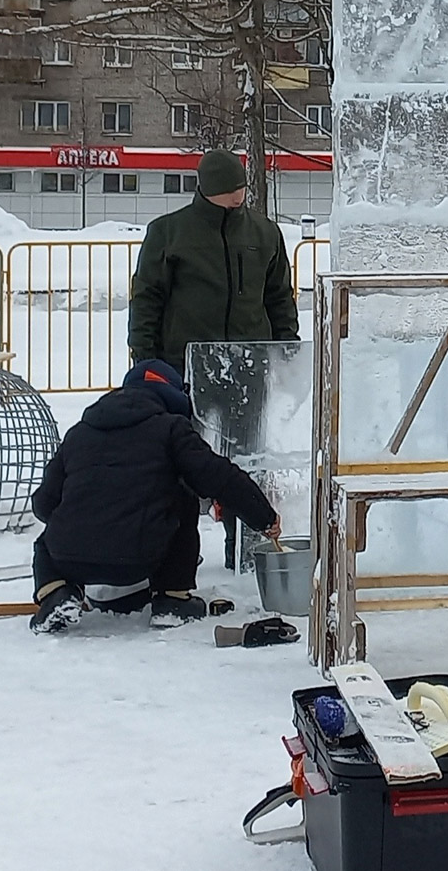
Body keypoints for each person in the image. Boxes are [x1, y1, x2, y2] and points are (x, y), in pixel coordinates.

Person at [127, 149, 300, 568]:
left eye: (240, 189)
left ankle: (242, 549)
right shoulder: (169, 234)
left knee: (246, 463)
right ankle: (173, 554)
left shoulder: (264, 234)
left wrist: (286, 345)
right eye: (228, 192)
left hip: (248, 368)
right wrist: (145, 358)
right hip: (181, 372)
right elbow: (147, 298)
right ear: (206, 191)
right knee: (179, 464)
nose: (237, 198)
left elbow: (278, 296)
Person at [28, 359, 282, 634]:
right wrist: (264, 517)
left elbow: (43, 504)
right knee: (183, 498)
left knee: (52, 533)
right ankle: (172, 600)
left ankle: (55, 593)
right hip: (142, 556)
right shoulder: (171, 429)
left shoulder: (79, 433)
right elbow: (220, 477)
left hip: (70, 556)